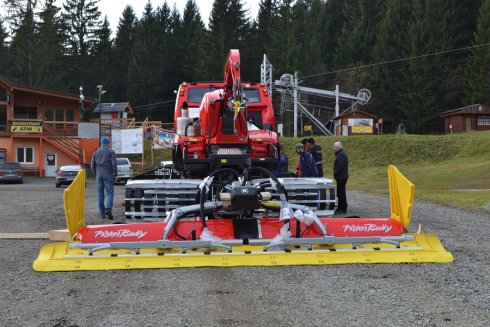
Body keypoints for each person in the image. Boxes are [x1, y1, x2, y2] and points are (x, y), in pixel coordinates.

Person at [91, 137, 117, 220]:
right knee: (110, 193)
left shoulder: (95, 153)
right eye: (109, 142)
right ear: (108, 143)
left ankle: (102, 214)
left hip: (99, 175)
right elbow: (114, 164)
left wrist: (96, 173)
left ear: (101, 143)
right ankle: (108, 209)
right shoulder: (111, 151)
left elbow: (92, 165)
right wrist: (115, 174)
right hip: (108, 174)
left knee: (100, 194)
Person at [333, 141, 349, 214]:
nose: (333, 148)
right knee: (340, 193)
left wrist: (335, 172)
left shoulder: (341, 155)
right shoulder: (340, 154)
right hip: (341, 176)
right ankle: (340, 208)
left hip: (341, 177)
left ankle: (342, 209)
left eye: (334, 147)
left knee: (341, 193)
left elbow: (340, 166)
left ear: (338, 148)